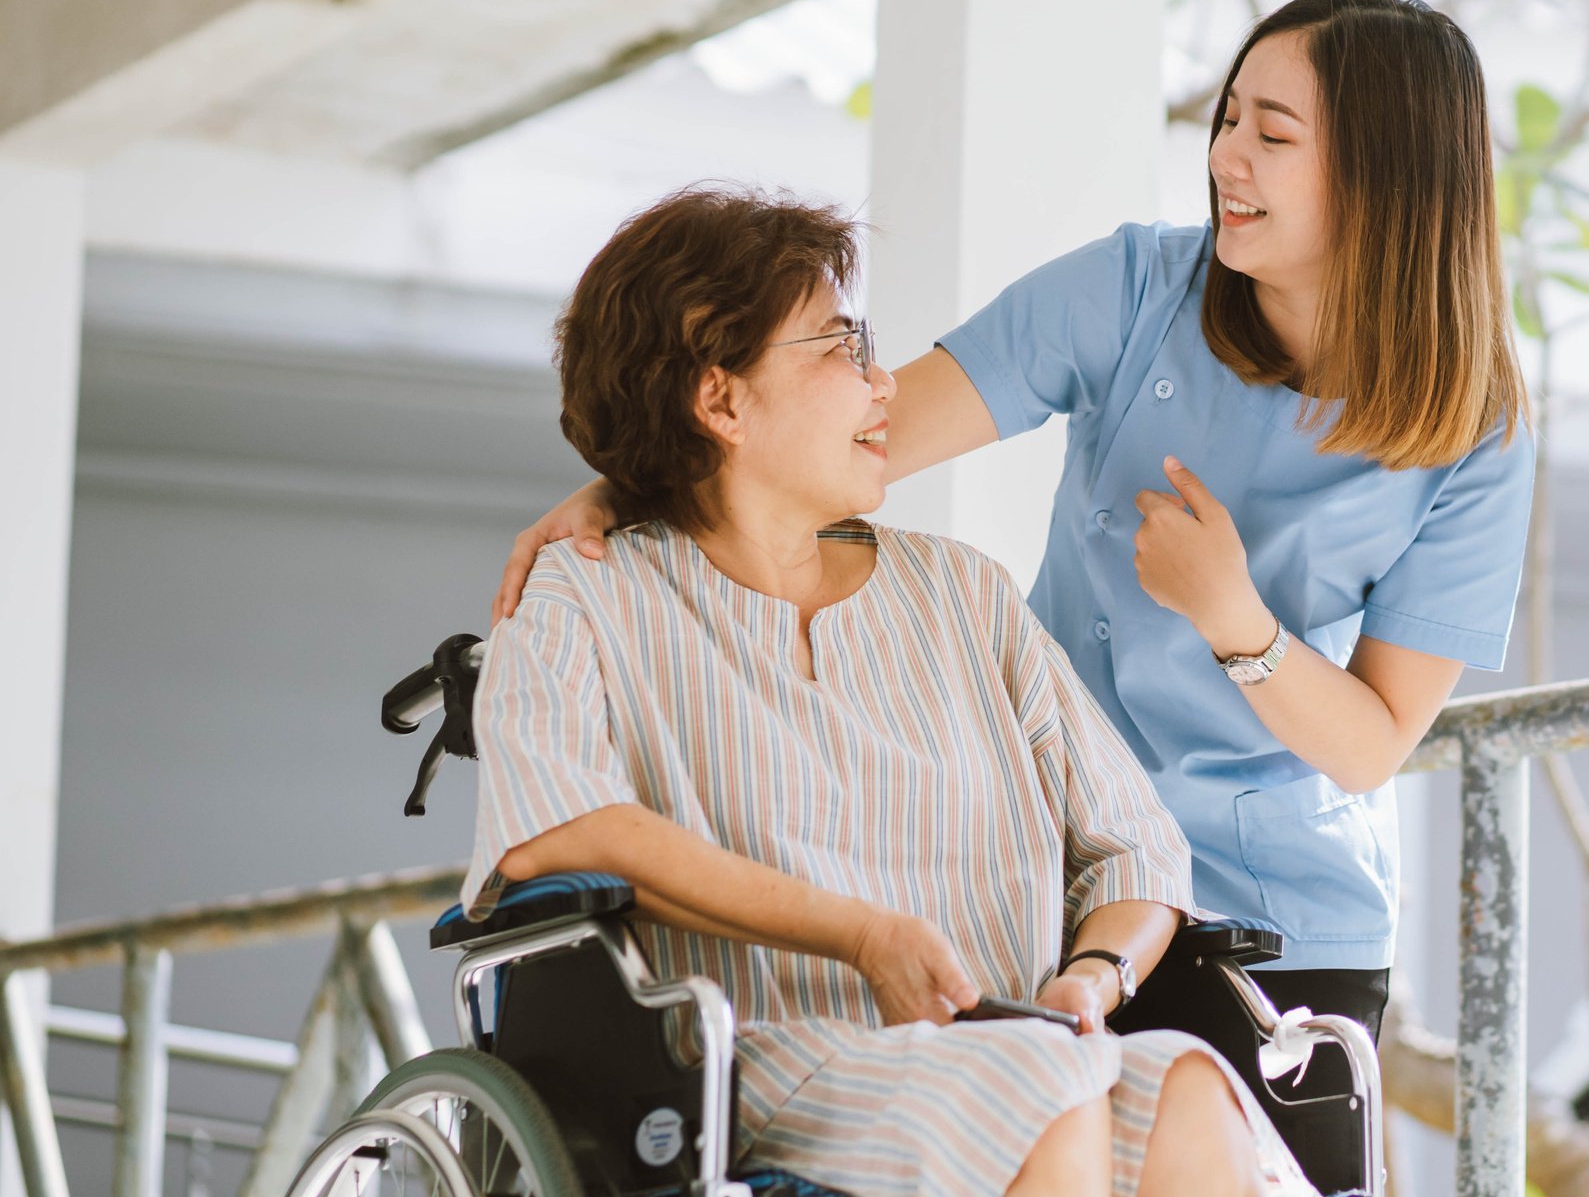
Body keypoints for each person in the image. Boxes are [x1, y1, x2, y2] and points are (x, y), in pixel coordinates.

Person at [493, 0, 1535, 1191]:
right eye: (1226, 117)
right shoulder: (1137, 291)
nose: (1223, 158)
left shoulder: (1475, 430)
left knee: (1206, 1125)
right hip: (1055, 886)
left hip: (1279, 907)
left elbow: (1370, 746)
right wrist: (638, 481)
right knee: (1044, 1098)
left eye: (1272, 135)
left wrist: (1231, 615)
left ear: (1387, 178)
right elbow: (844, 447)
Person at [467, 188, 1312, 1197]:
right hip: (759, 1064)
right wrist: (859, 933)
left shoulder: (961, 593)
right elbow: (561, 829)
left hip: (1019, 1041)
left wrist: (1096, 977)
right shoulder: (585, 592)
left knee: (1182, 1087)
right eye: (839, 347)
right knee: (1036, 1085)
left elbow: (1136, 846)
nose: (881, 384)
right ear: (721, 400)